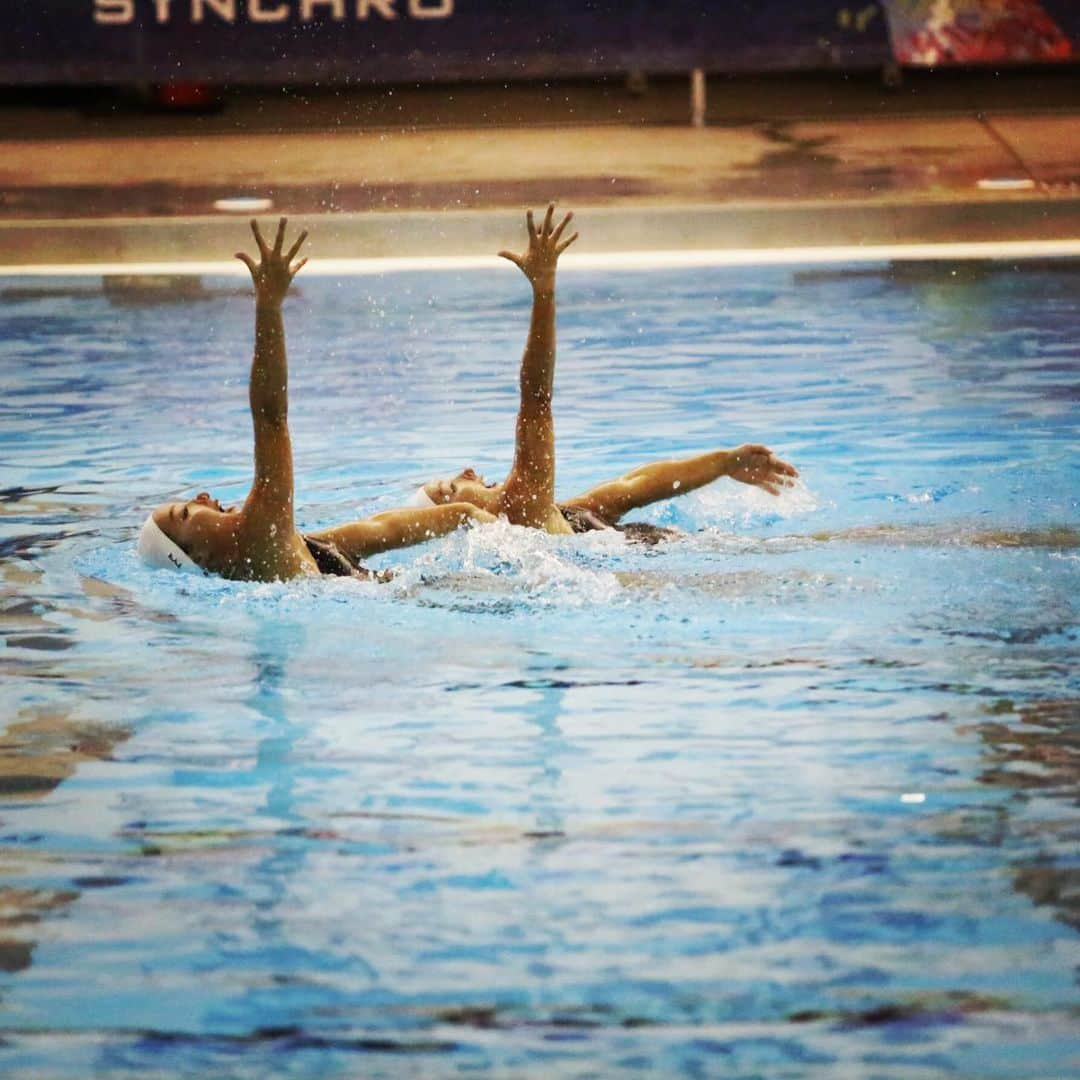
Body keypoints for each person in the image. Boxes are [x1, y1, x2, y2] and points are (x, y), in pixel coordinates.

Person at [411, 204, 799, 540]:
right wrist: (544, 292)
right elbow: (536, 397)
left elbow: (631, 488)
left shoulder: (539, 509)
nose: (466, 470)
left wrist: (723, 462)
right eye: (451, 485)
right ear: (453, 518)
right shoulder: (520, 505)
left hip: (668, 552)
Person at [137, 219, 494, 582]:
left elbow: (382, 528)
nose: (201, 495)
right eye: (185, 514)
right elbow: (270, 417)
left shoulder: (293, 544)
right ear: (198, 554)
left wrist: (467, 514)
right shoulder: (257, 541)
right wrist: (268, 307)